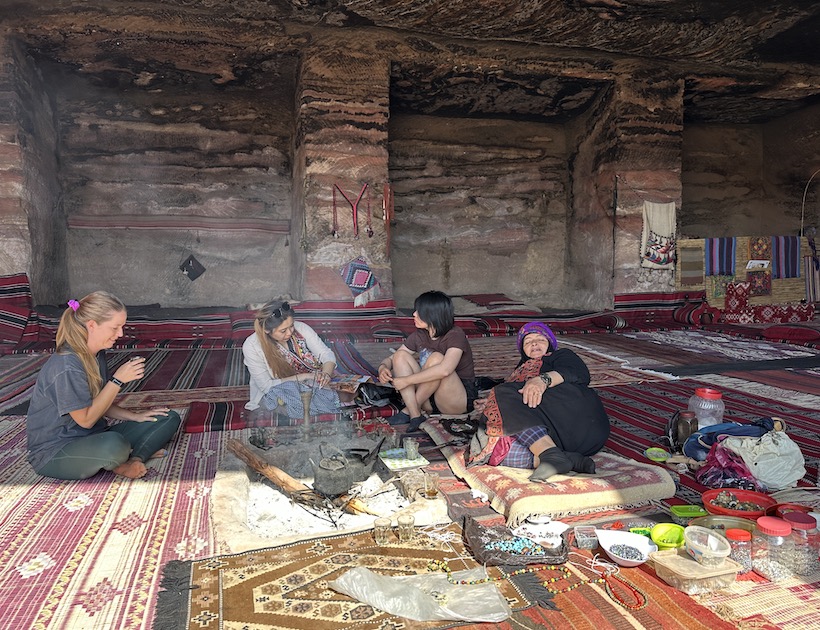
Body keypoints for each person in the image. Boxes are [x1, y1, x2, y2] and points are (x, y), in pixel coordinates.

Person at [26, 292, 181, 480]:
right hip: (56, 451)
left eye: (122, 327)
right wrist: (117, 381)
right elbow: (86, 420)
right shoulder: (67, 365)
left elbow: (98, 402)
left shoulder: (96, 354)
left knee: (167, 418)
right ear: (92, 325)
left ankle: (133, 460)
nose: (121, 334)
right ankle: (125, 456)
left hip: (93, 437)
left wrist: (136, 416)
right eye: (115, 327)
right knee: (114, 445)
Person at [467, 321, 610, 483]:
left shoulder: (561, 356)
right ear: (523, 350)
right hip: (558, 438)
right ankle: (568, 460)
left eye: (540, 339)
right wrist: (492, 404)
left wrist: (543, 380)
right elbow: (513, 402)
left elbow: (579, 373)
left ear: (550, 343)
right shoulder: (517, 375)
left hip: (581, 425)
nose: (534, 342)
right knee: (495, 450)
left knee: (503, 392)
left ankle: (551, 455)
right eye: (528, 342)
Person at [377, 290, 477, 431]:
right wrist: (383, 367)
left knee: (436, 359)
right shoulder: (420, 335)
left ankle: (408, 411)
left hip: (455, 400)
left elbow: (445, 370)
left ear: (432, 315)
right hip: (428, 398)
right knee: (400, 355)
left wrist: (407, 380)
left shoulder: (455, 334)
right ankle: (415, 415)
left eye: (419, 312)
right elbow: (392, 358)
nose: (414, 314)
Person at [242, 300, 340, 417]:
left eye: (291, 326)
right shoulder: (252, 346)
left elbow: (326, 354)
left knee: (353, 390)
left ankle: (318, 405)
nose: (289, 333)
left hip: (313, 382)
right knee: (296, 400)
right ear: (267, 330)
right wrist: (305, 376)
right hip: (280, 389)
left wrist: (326, 374)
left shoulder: (302, 328)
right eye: (283, 331)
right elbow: (266, 386)